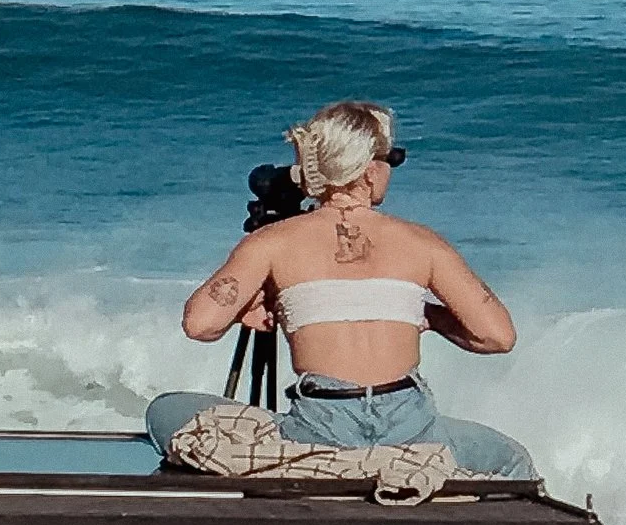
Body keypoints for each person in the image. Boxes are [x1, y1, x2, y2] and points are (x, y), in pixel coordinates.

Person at [146, 102, 535, 478]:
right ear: (369, 171)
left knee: (164, 411)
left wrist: (245, 310)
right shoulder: (422, 243)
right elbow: (497, 336)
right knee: (511, 459)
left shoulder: (274, 242)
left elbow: (200, 325)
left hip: (321, 428)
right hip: (411, 429)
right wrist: (427, 315)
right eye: (390, 159)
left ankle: (310, 468)